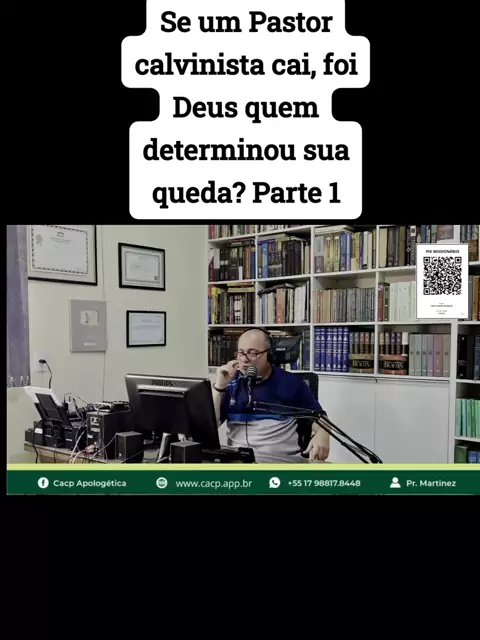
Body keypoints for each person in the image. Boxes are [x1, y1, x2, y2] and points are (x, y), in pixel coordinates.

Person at [212, 328, 330, 463]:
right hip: (238, 463)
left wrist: (323, 433)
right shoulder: (231, 383)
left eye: (252, 353)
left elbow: (320, 418)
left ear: (269, 355)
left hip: (281, 462)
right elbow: (208, 427)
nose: (244, 359)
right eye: (240, 353)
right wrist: (219, 388)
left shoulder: (290, 383)